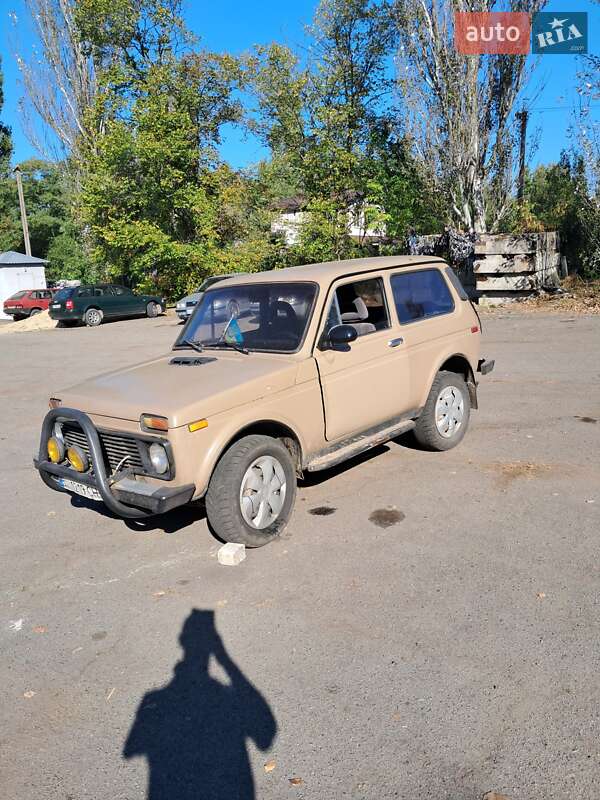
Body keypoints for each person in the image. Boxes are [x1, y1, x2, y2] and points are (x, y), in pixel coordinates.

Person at [124, 609, 277, 800]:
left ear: (182, 641)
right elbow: (265, 737)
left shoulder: (153, 700)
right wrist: (225, 661)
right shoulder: (226, 697)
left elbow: (131, 749)